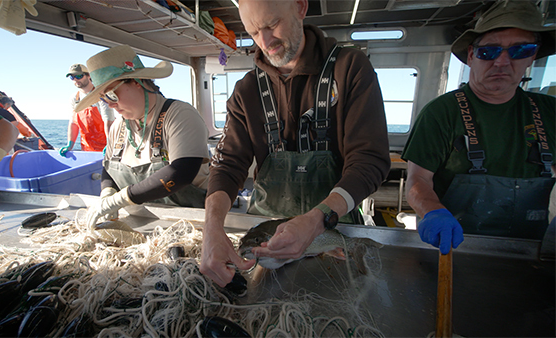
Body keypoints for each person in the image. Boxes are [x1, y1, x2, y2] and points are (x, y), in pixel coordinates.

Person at [200, 0, 390, 287]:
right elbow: (227, 165)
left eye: (271, 24)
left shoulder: (351, 69)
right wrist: (211, 228)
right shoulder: (246, 91)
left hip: (333, 233)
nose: (265, 41)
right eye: (253, 32)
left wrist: (317, 220)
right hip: (266, 245)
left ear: (300, 8)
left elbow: (370, 161)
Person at [402, 0, 555, 255]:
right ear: (472, 55)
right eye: (489, 52)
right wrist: (433, 211)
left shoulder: (550, 112)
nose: (502, 61)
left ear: (532, 56)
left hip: (532, 255)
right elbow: (418, 180)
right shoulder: (441, 113)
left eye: (520, 50)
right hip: (451, 250)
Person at [73, 45, 211, 228]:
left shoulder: (180, 115)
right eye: (103, 99)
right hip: (146, 222)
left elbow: (182, 173)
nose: (110, 105)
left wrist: (119, 199)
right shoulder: (118, 127)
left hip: (195, 221)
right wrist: (107, 192)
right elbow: (109, 167)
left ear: (137, 81)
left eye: (112, 95)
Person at [60, 63, 116, 156]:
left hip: (107, 148)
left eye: (79, 76)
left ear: (89, 75)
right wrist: (70, 145)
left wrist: (110, 143)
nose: (76, 80)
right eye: (72, 77)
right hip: (87, 149)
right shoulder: (75, 98)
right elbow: (73, 123)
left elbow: (108, 121)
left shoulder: (101, 94)